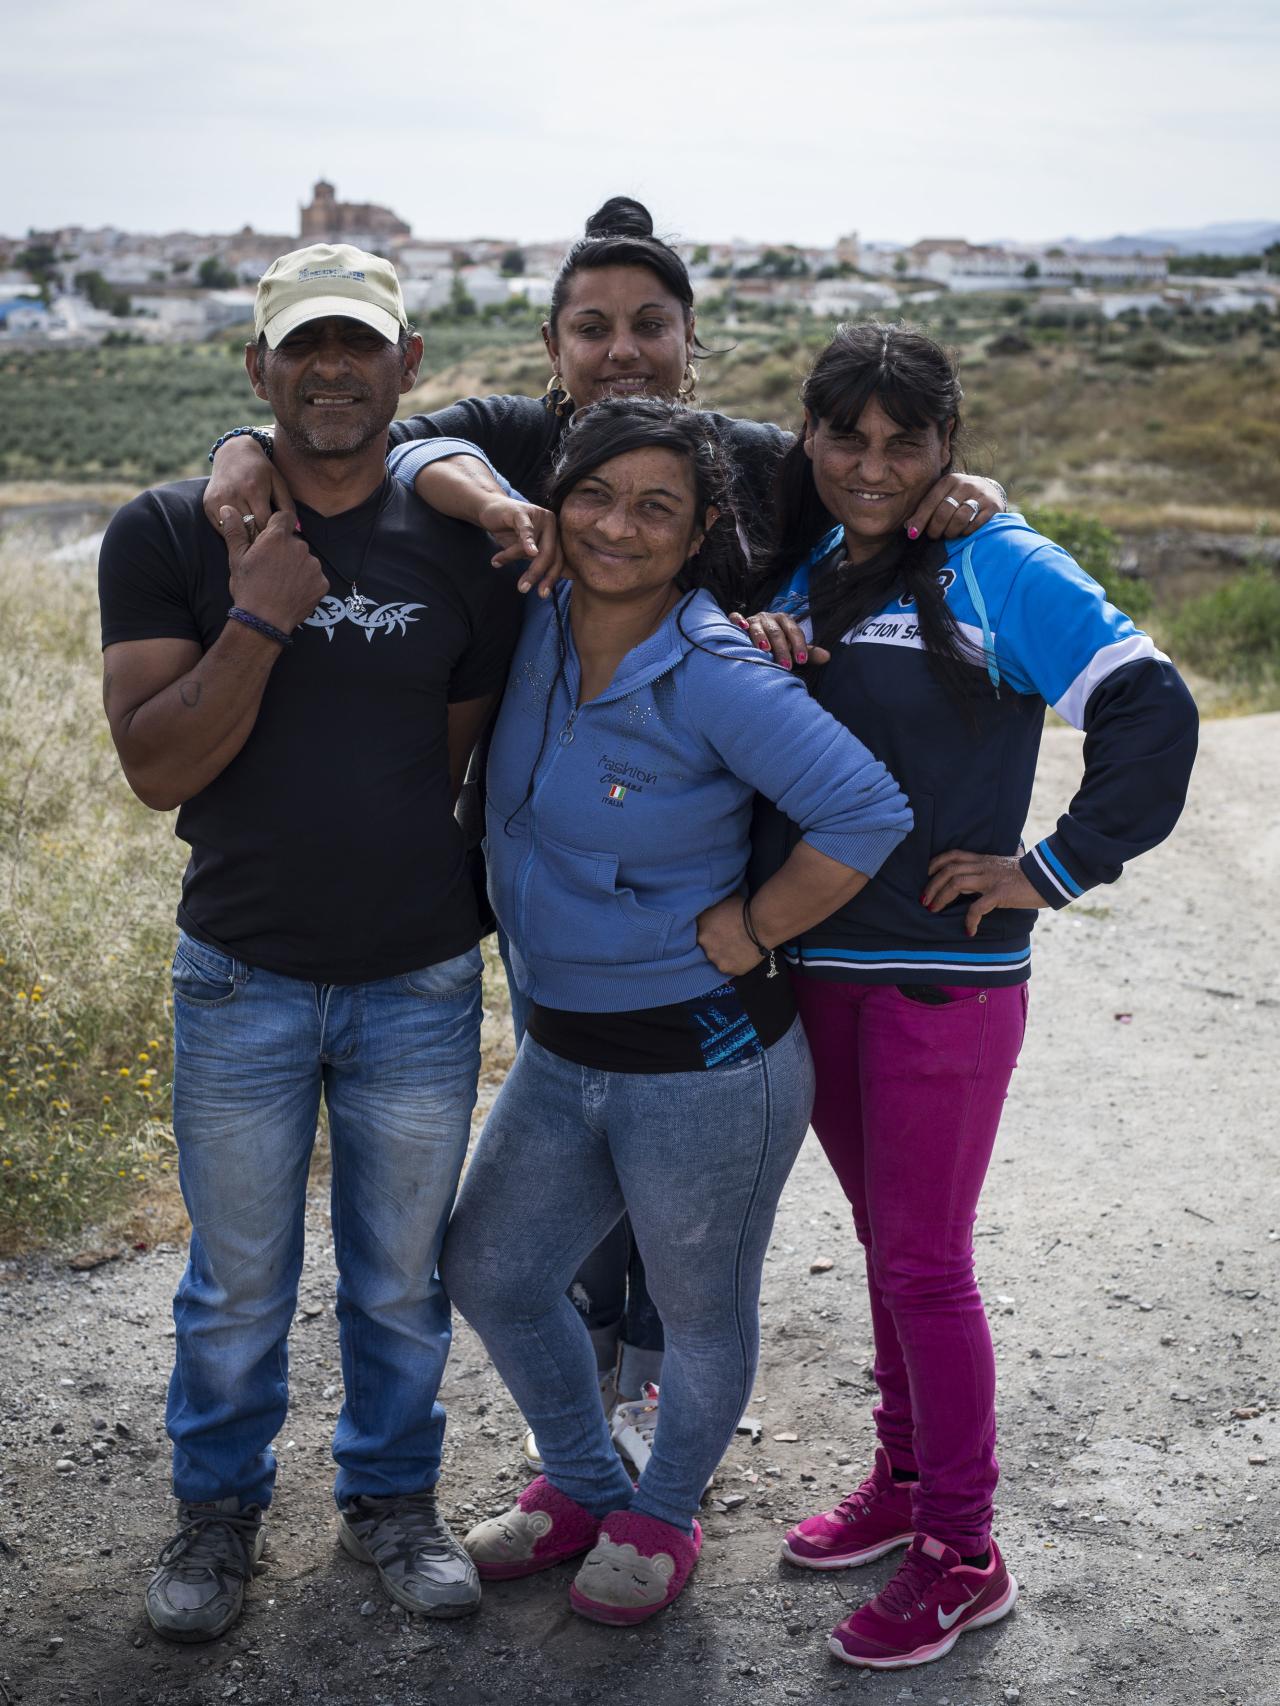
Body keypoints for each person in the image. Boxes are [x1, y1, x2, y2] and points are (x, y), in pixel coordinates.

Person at [205, 197, 1005, 1471]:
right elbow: (387, 446)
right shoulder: (517, 445)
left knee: (678, 1187)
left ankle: (655, 1427)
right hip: (554, 902)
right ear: (552, 344)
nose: (620, 349)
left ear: (692, 341)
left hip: (715, 902)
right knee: (566, 1169)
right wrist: (252, 442)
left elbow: (879, 477)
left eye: (648, 324)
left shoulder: (757, 464)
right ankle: (588, 1409)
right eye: (592, 326)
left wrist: (962, 491)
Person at [737, 323, 1198, 1670]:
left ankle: (963, 1551)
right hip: (820, 969)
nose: (872, 467)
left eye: (906, 443)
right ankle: (902, 1480)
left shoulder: (996, 560)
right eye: (847, 438)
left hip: (946, 978)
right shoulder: (804, 554)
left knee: (927, 1264)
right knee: (888, 1246)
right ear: (811, 436)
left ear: (951, 446)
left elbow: (1151, 710)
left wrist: (1050, 868)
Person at [97, 242, 522, 1641]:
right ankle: (216, 1517)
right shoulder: (167, 531)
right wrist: (262, 617)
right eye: (303, 346)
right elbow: (159, 766)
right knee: (235, 1284)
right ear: (257, 367)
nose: (331, 369)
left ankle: (393, 1501)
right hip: (240, 975)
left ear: (407, 365)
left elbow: (446, 759)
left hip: (415, 976)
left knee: (402, 1279)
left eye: (360, 345)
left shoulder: (457, 538)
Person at [439, 397, 913, 1625]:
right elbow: (405, 452)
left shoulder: (714, 669)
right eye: (593, 494)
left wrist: (754, 926)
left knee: (701, 1311)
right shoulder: (534, 616)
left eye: (657, 506)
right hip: (561, 1045)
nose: (616, 526)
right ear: (557, 497)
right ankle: (587, 1483)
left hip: (704, 1061)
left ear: (701, 527)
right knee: (490, 1267)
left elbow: (864, 811)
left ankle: (664, 1509)